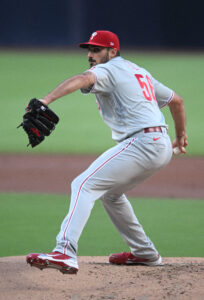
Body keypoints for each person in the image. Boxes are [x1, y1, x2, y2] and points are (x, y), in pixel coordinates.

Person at [26, 30, 188, 274]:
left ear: (113, 51)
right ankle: (145, 253)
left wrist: (45, 101)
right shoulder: (137, 71)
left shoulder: (108, 69)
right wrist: (180, 136)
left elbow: (82, 79)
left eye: (97, 49)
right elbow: (177, 101)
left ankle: (65, 251)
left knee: (83, 184)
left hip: (141, 143)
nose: (91, 55)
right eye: (89, 50)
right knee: (111, 195)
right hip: (159, 144)